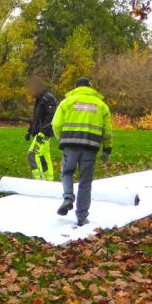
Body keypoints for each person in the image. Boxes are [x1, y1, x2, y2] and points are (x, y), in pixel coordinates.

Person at [51, 77, 113, 226]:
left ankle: (68, 197)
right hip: (90, 147)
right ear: (90, 87)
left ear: (75, 86)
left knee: (66, 173)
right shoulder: (101, 105)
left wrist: (62, 139)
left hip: (70, 145)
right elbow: (107, 131)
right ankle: (81, 217)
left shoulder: (66, 102)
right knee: (85, 182)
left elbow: (55, 124)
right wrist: (107, 149)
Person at [24, 75, 57, 180]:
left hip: (44, 133)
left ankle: (39, 181)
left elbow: (51, 118)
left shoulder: (48, 98)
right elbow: (37, 117)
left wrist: (42, 133)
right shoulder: (39, 99)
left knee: (32, 154)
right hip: (40, 133)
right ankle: (49, 180)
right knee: (43, 157)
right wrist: (30, 131)